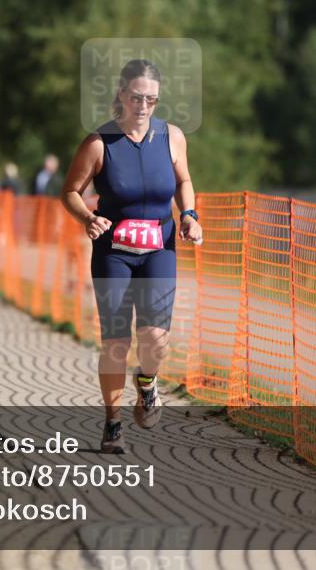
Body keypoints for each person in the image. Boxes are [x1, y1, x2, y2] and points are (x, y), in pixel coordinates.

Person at [61, 59, 202, 454]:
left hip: (159, 248)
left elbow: (184, 180)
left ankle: (147, 383)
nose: (144, 106)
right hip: (114, 254)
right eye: (137, 97)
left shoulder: (172, 137)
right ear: (121, 93)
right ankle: (112, 422)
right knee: (116, 342)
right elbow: (69, 191)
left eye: (152, 99)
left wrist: (189, 215)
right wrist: (87, 217)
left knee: (156, 340)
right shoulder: (98, 143)